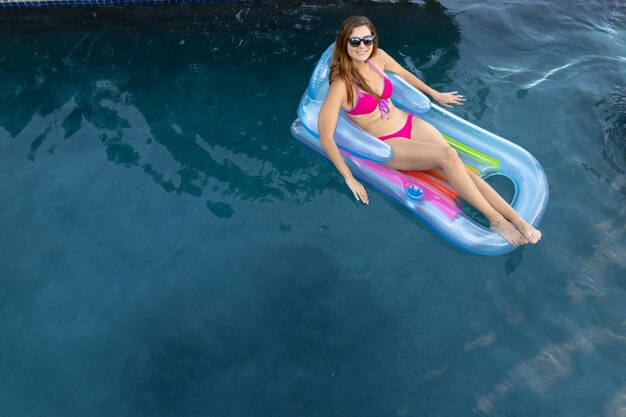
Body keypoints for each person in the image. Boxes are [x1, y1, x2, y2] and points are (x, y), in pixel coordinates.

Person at [317, 15, 541, 245]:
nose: (363, 46)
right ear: (345, 44)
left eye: (368, 39)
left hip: (409, 123)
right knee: (448, 155)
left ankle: (518, 220)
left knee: (460, 169)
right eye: (355, 41)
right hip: (389, 142)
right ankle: (495, 219)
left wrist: (435, 94)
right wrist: (348, 178)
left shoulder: (378, 58)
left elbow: (403, 74)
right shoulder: (341, 85)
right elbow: (325, 135)